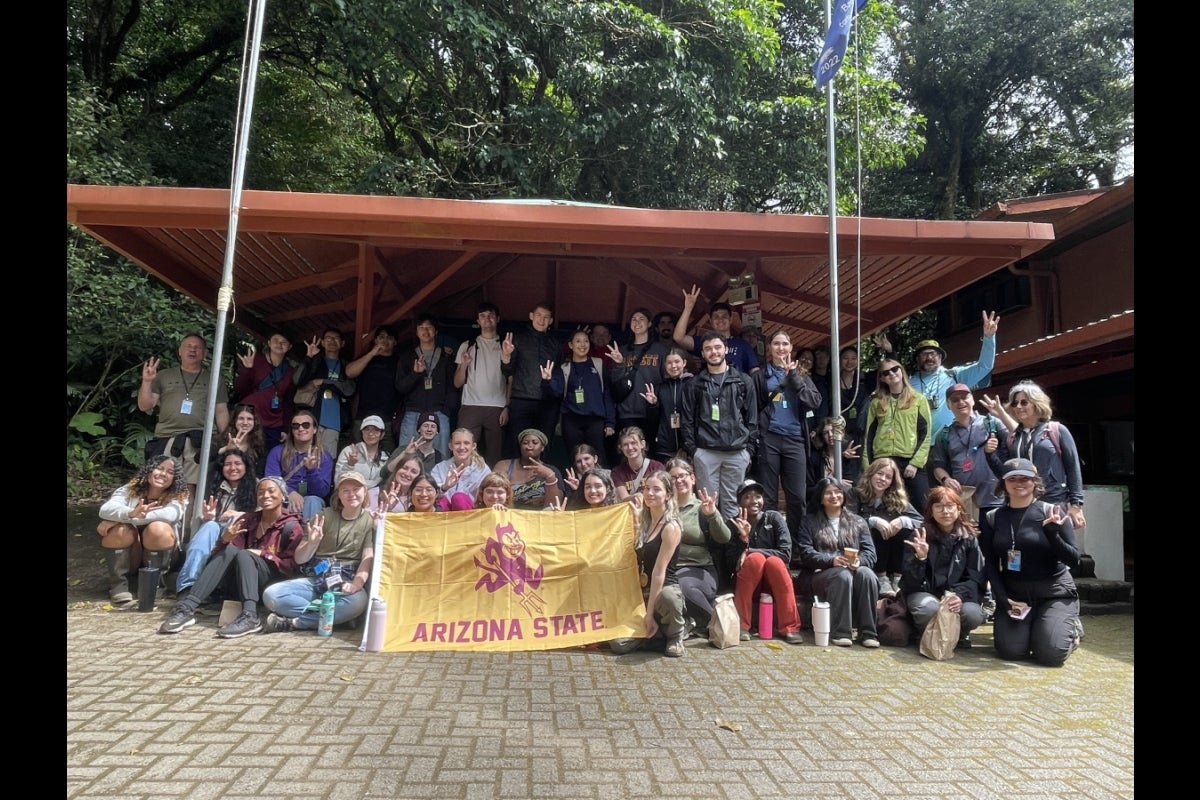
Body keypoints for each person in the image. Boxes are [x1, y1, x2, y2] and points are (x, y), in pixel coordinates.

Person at [158, 476, 305, 637]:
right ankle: (187, 608)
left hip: (269, 585)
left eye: (271, 491)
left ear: (283, 495)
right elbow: (222, 557)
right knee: (231, 550)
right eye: (261, 492)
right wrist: (224, 540)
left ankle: (250, 616)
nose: (266, 496)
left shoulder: (291, 526)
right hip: (240, 584)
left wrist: (264, 554)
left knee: (244, 554)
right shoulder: (249, 520)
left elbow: (292, 568)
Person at [979, 457, 1083, 666]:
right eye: (1012, 479)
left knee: (1050, 655)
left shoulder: (1052, 512)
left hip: (1053, 593)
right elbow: (989, 563)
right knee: (1010, 651)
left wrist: (1052, 535)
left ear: (1035, 482)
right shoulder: (993, 517)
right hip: (1016, 595)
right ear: (1003, 484)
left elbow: (1074, 559)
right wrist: (1001, 597)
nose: (1019, 483)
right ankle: (1037, 624)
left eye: (1025, 478)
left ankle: (1072, 629)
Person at [262, 471, 375, 633]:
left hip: (345, 583)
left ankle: (293, 623)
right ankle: (336, 618)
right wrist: (312, 543)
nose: (351, 494)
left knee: (359, 601)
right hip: (317, 579)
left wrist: (357, 584)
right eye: (345, 490)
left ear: (365, 492)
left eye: (356, 489)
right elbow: (300, 559)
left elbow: (367, 557)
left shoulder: (370, 521)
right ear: (339, 495)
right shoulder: (324, 516)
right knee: (271, 595)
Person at [873, 310, 1000, 433]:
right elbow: (893, 375)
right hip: (921, 445)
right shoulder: (910, 382)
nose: (929, 358)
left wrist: (989, 337)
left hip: (953, 440)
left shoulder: (954, 375)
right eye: (924, 355)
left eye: (933, 354)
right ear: (917, 359)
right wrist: (890, 352)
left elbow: (985, 366)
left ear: (940, 357)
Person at [984, 380, 1086, 530]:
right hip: (1022, 504)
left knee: (1057, 549)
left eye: (1024, 402)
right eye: (1014, 403)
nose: (1018, 407)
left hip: (1054, 502)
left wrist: (1076, 505)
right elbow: (1005, 474)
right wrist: (990, 454)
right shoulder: (1014, 437)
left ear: (1037, 403)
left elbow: (1073, 467)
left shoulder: (1056, 430)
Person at [138, 332, 230, 496]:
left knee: (191, 487)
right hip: (168, 436)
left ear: (205, 353)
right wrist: (146, 381)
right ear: (180, 350)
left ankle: (187, 522)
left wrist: (225, 439)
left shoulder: (215, 378)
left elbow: (221, 410)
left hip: (199, 439)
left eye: (197, 347)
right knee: (160, 484)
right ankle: (160, 520)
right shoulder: (164, 375)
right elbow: (145, 406)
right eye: (188, 346)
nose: (192, 350)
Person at [680, 331, 759, 522]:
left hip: (737, 451)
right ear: (702, 353)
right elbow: (687, 420)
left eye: (717, 347)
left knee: (733, 505)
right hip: (706, 451)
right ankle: (711, 550)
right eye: (708, 349)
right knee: (708, 505)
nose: (713, 352)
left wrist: (749, 450)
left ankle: (731, 549)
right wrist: (693, 450)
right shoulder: (695, 384)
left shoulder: (743, 381)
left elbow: (752, 418)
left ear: (725, 349)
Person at [608, 471, 687, 658]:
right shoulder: (644, 520)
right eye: (647, 489)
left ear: (668, 495)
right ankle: (657, 635)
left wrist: (648, 614)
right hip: (642, 590)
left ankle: (676, 635)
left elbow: (659, 573)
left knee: (669, 597)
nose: (650, 493)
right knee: (618, 644)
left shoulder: (671, 527)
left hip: (663, 589)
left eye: (657, 490)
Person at [795, 477, 881, 648]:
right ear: (820, 498)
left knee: (867, 574)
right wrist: (831, 561)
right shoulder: (809, 521)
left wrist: (858, 562)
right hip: (819, 575)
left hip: (852, 572)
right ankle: (841, 632)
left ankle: (868, 633)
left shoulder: (858, 521)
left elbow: (870, 553)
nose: (834, 496)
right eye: (828, 492)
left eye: (838, 491)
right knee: (841, 575)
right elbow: (806, 553)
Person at [751, 330, 822, 537]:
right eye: (776, 344)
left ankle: (798, 545)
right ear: (770, 348)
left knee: (797, 497)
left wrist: (794, 377)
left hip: (795, 439)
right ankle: (770, 541)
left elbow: (814, 402)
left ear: (791, 348)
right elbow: (753, 408)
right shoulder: (760, 375)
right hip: (769, 438)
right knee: (769, 496)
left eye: (784, 344)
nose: (780, 348)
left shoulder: (801, 375)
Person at [900, 487, 986, 649]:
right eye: (938, 506)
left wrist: (960, 596)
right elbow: (910, 582)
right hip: (925, 592)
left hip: (956, 594)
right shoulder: (919, 536)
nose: (945, 511)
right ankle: (924, 633)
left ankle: (958, 635)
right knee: (929, 608)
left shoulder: (968, 538)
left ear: (958, 509)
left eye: (950, 506)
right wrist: (921, 558)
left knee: (973, 614)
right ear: (931, 511)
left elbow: (976, 576)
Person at [97, 455, 189, 607]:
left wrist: (129, 518)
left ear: (175, 478)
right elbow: (105, 509)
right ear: (149, 470)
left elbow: (170, 514)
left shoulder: (179, 495)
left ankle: (156, 585)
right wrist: (130, 514)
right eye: (159, 468)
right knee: (119, 530)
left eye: (170, 472)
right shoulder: (129, 489)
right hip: (133, 554)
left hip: (166, 555)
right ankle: (119, 586)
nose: (163, 474)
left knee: (157, 528)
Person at [724, 479, 805, 644]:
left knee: (773, 562)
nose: (754, 500)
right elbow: (729, 562)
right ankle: (742, 625)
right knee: (755, 560)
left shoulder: (774, 518)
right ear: (739, 502)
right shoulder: (732, 524)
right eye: (747, 497)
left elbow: (786, 554)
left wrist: (749, 550)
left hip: (773, 582)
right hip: (746, 583)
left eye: (758, 496)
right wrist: (743, 539)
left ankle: (790, 627)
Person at [177, 448, 259, 606]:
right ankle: (187, 587)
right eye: (227, 464)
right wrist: (209, 516)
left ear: (246, 466)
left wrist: (240, 514)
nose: (232, 468)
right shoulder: (213, 487)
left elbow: (264, 515)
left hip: (243, 534)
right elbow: (207, 520)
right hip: (216, 534)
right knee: (210, 527)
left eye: (237, 463)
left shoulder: (257, 486)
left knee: (214, 527)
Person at [664, 459, 731, 632]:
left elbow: (725, 537)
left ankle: (717, 625)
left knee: (681, 587)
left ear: (693, 478)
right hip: (668, 569)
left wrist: (713, 515)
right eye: (673, 478)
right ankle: (691, 622)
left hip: (700, 570)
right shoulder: (663, 509)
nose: (678, 481)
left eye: (682, 476)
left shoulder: (702, 507)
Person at [928, 383, 1009, 521]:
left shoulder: (992, 423)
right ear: (948, 405)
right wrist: (946, 479)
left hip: (995, 498)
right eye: (955, 400)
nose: (961, 402)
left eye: (965, 397)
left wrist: (1002, 414)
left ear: (972, 399)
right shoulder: (944, 434)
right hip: (964, 501)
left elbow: (1016, 441)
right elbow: (937, 465)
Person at [865, 357, 933, 512]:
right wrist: (869, 467)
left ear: (901, 371)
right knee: (886, 507)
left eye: (895, 369)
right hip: (883, 460)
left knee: (923, 506)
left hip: (910, 460)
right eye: (886, 372)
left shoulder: (919, 399)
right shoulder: (876, 402)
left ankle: (924, 536)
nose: (892, 374)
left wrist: (916, 462)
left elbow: (925, 433)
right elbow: (869, 435)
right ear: (882, 378)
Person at [849, 457, 922, 599]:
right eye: (879, 474)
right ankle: (881, 577)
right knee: (878, 528)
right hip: (864, 550)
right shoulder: (855, 493)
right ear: (871, 473)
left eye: (888, 477)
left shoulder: (897, 499)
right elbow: (847, 520)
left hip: (893, 554)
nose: (883, 479)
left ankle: (897, 577)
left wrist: (903, 520)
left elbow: (921, 522)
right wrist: (871, 521)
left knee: (907, 529)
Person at [607, 308, 671, 465]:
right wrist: (619, 362)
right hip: (626, 412)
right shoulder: (621, 351)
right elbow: (615, 383)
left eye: (641, 319)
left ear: (649, 323)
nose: (637, 322)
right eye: (634, 319)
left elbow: (667, 380)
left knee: (650, 458)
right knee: (627, 457)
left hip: (651, 411)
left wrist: (659, 404)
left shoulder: (661, 350)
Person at [501, 302, 562, 457]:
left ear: (551, 321)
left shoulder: (555, 344)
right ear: (531, 316)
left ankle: (542, 479)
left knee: (544, 445)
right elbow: (507, 371)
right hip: (521, 400)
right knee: (517, 443)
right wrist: (506, 356)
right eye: (539, 315)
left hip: (547, 402)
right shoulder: (518, 340)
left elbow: (560, 374)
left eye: (546, 317)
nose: (542, 320)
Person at [454, 301, 511, 467]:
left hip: (497, 407)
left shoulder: (506, 346)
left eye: (491, 316)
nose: (487, 319)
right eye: (483, 316)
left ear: (498, 319)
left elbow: (511, 380)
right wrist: (464, 364)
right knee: (464, 454)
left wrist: (507, 406)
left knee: (496, 457)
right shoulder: (467, 346)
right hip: (470, 404)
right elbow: (457, 383)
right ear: (478, 321)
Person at [543, 330, 614, 463]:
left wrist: (610, 422)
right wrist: (547, 381)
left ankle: (599, 483)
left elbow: (607, 394)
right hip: (571, 420)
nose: (582, 344)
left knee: (597, 458)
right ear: (570, 345)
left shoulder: (598, 364)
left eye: (586, 341)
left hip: (595, 420)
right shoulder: (564, 368)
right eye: (578, 341)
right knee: (575, 457)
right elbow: (555, 392)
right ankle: (575, 484)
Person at [396, 312, 458, 456]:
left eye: (429, 327)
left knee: (441, 456)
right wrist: (415, 374)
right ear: (416, 332)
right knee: (407, 456)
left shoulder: (446, 356)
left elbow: (453, 386)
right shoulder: (407, 356)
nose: (425, 331)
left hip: (439, 413)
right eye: (421, 327)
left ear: (436, 331)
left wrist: (446, 410)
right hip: (413, 412)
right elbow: (400, 387)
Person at [293, 328, 356, 456]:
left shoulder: (346, 366)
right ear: (322, 342)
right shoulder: (315, 361)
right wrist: (308, 357)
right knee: (305, 457)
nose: (332, 341)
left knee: (327, 461)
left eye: (336, 338)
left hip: (335, 421)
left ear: (342, 343)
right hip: (312, 418)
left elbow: (350, 390)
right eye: (328, 338)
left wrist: (323, 382)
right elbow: (297, 380)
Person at [264, 408, 335, 520]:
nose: (300, 428)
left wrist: (311, 471)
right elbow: (270, 481)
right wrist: (290, 493)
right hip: (283, 498)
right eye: (296, 426)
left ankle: (309, 536)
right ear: (292, 430)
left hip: (311, 502)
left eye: (306, 425)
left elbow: (322, 492)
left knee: (313, 501)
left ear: (315, 429)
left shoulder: (325, 457)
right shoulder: (277, 452)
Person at [673, 286, 758, 374]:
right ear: (710, 321)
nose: (720, 319)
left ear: (731, 319)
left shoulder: (742, 344)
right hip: (709, 386)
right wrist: (688, 308)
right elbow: (678, 337)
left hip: (736, 386)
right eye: (716, 317)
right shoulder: (704, 342)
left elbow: (755, 372)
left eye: (724, 316)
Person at [234, 330, 297, 448]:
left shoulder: (290, 371)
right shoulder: (255, 360)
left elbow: (288, 403)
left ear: (289, 347)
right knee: (246, 455)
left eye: (284, 342)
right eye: (276, 340)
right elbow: (240, 389)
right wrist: (247, 370)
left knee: (270, 457)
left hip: (274, 422)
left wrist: (286, 428)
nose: (279, 344)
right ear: (268, 343)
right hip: (250, 417)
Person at [345, 324, 402, 453]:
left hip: (388, 420)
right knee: (358, 456)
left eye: (389, 337)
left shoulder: (400, 361)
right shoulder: (366, 358)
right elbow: (349, 372)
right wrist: (372, 353)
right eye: (381, 337)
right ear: (375, 340)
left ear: (395, 342)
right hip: (363, 416)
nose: (384, 340)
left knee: (388, 459)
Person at [640, 347, 694, 465]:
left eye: (677, 362)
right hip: (664, 446)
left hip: (688, 445)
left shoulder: (693, 384)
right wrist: (653, 404)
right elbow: (653, 420)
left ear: (684, 363)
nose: (673, 366)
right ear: (665, 365)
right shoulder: (660, 387)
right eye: (669, 363)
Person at [492, 428, 564, 511]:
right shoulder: (504, 465)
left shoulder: (551, 470)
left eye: (535, 442)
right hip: (509, 514)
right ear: (520, 447)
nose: (529, 445)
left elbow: (557, 501)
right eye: (525, 443)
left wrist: (549, 476)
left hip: (540, 517)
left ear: (542, 448)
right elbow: (494, 491)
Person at [431, 428, 492, 511]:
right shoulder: (439, 468)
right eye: (457, 443)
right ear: (450, 446)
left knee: (459, 498)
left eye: (466, 443)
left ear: (473, 446)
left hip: (471, 516)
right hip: (444, 515)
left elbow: (488, 497)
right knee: (442, 500)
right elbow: (430, 496)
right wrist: (445, 487)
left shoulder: (483, 469)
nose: (462, 447)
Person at [611, 426, 666, 502]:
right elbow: (624, 498)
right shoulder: (617, 472)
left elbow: (664, 492)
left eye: (633, 443)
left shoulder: (657, 467)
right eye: (625, 444)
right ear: (621, 448)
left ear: (642, 444)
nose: (630, 447)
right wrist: (637, 497)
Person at [808, 416, 862, 492]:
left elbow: (851, 483)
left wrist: (845, 460)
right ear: (822, 436)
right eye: (825, 433)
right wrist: (835, 484)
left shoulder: (849, 453)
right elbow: (809, 488)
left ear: (841, 433)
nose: (830, 435)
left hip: (844, 497)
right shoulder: (816, 457)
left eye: (833, 431)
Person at [384, 412, 444, 479]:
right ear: (419, 429)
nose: (429, 429)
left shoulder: (440, 458)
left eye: (433, 426)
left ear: (437, 431)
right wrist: (405, 454)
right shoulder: (403, 450)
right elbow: (385, 473)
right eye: (425, 426)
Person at [335, 416, 390, 489]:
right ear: (361, 433)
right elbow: (338, 481)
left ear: (382, 434)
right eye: (367, 429)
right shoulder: (349, 451)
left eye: (376, 430)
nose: (370, 433)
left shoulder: (386, 457)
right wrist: (350, 465)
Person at [218, 403, 267, 469]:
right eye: (241, 418)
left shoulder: (260, 443)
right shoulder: (221, 439)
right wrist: (226, 449)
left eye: (249, 419)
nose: (245, 423)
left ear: (255, 422)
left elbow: (260, 471)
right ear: (234, 421)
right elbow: (208, 461)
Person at [561, 443, 608, 509]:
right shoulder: (571, 481)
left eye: (586, 459)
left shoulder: (608, 476)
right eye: (579, 461)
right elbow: (570, 508)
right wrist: (578, 491)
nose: (583, 464)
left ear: (595, 459)